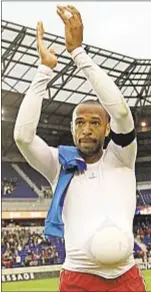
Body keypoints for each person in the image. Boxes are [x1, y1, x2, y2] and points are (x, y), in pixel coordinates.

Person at [14, 5, 146, 292]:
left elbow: (122, 113)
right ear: (72, 128)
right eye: (80, 122)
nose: (86, 128)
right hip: (78, 280)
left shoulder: (122, 157)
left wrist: (78, 53)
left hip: (128, 279)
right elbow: (23, 137)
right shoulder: (58, 164)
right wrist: (44, 71)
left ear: (107, 128)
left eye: (95, 122)